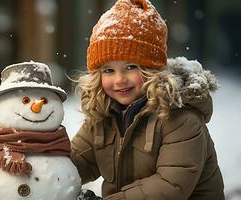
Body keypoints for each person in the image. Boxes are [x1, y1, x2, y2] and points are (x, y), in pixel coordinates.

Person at [70, 0, 225, 199]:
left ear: (151, 69)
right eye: (108, 70)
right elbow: (75, 163)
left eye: (131, 67)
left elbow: (170, 186)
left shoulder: (180, 117)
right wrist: (36, 165)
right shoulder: (103, 116)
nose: (119, 80)